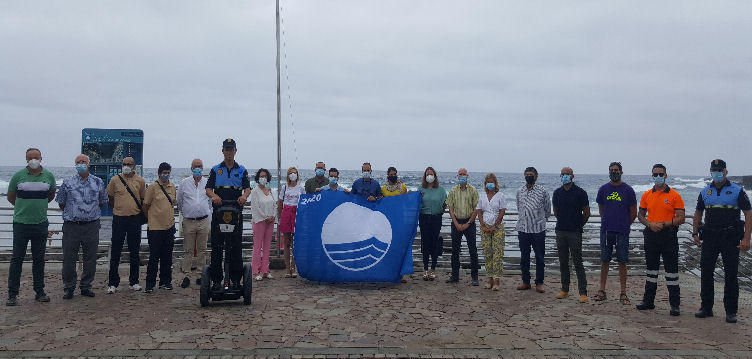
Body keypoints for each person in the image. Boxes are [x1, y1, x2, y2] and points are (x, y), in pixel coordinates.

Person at [693, 159, 752, 324]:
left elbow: (748, 213)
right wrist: (695, 233)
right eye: (714, 171)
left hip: (730, 237)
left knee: (731, 275)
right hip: (710, 237)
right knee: (706, 273)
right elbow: (698, 213)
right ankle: (706, 307)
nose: (717, 173)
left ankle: (731, 311)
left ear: (725, 172)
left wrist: (747, 238)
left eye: (720, 171)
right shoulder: (705, 192)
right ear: (711, 172)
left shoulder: (737, 190)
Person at [6, 148, 56, 306]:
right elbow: (11, 197)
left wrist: (36, 206)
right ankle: (12, 294)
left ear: (41, 158)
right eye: (30, 157)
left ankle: (39, 291)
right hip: (21, 223)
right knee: (17, 259)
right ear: (26, 159)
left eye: (35, 157)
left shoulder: (48, 176)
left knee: (39, 259)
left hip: (40, 224)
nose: (33, 160)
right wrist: (23, 208)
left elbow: (50, 195)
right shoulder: (18, 176)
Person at [635, 164, 685, 316]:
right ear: (652, 176)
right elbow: (640, 215)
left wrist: (663, 224)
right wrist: (649, 224)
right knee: (651, 271)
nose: (658, 176)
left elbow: (681, 218)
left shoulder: (675, 195)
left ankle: (675, 305)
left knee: (671, 273)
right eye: (655, 174)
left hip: (668, 236)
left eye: (660, 174)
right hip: (651, 235)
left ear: (666, 175)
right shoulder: (647, 194)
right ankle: (648, 302)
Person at [56, 154, 107, 300]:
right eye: (78, 162)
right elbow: (61, 203)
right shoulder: (67, 182)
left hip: (91, 225)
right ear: (75, 165)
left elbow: (102, 201)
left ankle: (86, 286)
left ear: (89, 164)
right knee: (68, 259)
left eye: (83, 161)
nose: (81, 164)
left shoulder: (98, 182)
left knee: (90, 258)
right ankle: (69, 288)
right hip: (71, 226)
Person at [205, 139, 251, 291]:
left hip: (235, 214)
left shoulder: (241, 170)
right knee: (217, 247)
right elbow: (208, 189)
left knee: (235, 247)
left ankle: (236, 280)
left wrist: (244, 196)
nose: (229, 152)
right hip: (219, 213)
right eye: (227, 149)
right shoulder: (215, 169)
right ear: (222, 150)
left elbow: (247, 189)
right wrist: (214, 197)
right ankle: (217, 280)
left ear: (235, 151)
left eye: (231, 149)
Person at [593, 162, 637, 305]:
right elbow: (601, 209)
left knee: (622, 262)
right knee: (604, 261)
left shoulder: (628, 190)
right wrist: (608, 221)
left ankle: (623, 293)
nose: (614, 172)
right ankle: (602, 290)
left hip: (622, 232)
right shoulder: (603, 189)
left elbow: (633, 212)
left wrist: (623, 224)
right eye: (611, 170)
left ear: (621, 172)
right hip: (606, 231)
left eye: (616, 170)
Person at [106, 156, 146, 294]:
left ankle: (134, 282)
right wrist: (118, 208)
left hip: (134, 220)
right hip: (119, 219)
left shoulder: (140, 181)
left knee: (134, 252)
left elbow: (142, 199)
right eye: (124, 164)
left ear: (134, 166)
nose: (127, 166)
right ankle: (113, 283)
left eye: (129, 164)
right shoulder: (114, 180)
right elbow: (110, 198)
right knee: (115, 252)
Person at [552, 167, 590, 303]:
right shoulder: (557, 193)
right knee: (563, 262)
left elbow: (587, 213)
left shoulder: (580, 193)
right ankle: (565, 289)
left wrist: (578, 225)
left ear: (572, 176)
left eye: (567, 174)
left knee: (578, 262)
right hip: (560, 231)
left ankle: (583, 292)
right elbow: (555, 211)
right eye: (562, 174)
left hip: (575, 232)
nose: (565, 176)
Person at [515, 167, 552, 293]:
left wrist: (540, 221)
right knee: (524, 257)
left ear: (536, 176)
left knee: (540, 258)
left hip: (538, 230)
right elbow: (519, 207)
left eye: (531, 174)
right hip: (523, 229)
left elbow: (548, 210)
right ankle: (526, 282)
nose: (529, 176)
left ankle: (539, 283)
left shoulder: (543, 191)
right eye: (527, 174)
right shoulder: (519, 191)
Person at [176, 159, 212, 288]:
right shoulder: (184, 183)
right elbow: (179, 201)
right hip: (189, 221)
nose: (198, 168)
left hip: (203, 220)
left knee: (202, 250)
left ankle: (200, 275)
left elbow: (210, 202)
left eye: (200, 166)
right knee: (188, 250)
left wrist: (209, 217)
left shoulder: (208, 183)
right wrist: (186, 212)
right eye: (195, 166)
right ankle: (186, 276)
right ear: (191, 168)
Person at [143, 163, 177, 293]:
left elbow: (172, 204)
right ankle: (150, 284)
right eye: (164, 172)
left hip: (169, 227)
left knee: (167, 257)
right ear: (159, 173)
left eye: (168, 172)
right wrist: (151, 218)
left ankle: (165, 281)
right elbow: (145, 206)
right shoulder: (152, 187)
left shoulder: (172, 186)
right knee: (154, 257)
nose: (166, 175)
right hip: (155, 228)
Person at [445, 168, 480, 286]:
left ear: (468, 176)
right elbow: (450, 208)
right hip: (456, 222)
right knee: (455, 251)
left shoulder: (473, 190)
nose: (462, 176)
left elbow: (476, 209)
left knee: (473, 250)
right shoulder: (453, 191)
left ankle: (475, 277)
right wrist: (456, 223)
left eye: (464, 174)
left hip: (470, 223)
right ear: (457, 176)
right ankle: (455, 276)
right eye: (460, 174)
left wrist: (468, 223)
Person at [476, 173, 506, 291]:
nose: (490, 184)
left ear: (495, 183)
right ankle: (489, 279)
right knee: (487, 253)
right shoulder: (482, 196)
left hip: (497, 227)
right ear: (485, 184)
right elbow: (479, 211)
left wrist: (495, 225)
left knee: (497, 254)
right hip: (485, 227)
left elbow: (502, 211)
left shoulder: (500, 196)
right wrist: (482, 225)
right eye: (488, 182)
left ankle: (497, 281)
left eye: (492, 181)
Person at [381, 166, 410, 282]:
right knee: (388, 246)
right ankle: (388, 272)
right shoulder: (383, 189)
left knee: (399, 246)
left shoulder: (403, 187)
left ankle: (400, 274)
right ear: (388, 175)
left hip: (400, 220)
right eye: (391, 174)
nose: (393, 176)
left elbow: (407, 200)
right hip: (387, 221)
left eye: (395, 174)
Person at [418, 167, 446, 281]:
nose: (429, 176)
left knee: (435, 243)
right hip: (424, 218)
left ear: (435, 176)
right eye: (427, 174)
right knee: (425, 243)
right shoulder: (421, 188)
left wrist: (439, 212)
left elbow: (445, 203)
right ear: (425, 176)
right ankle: (425, 269)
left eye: (431, 174)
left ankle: (433, 269)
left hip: (436, 218)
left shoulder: (441, 190)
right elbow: (416, 202)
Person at [250, 168, 277, 281]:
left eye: (265, 176)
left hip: (270, 222)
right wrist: (264, 217)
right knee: (257, 247)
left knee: (267, 247)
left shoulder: (270, 190)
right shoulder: (255, 191)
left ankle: (265, 270)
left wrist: (273, 216)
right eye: (261, 176)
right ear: (257, 178)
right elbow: (255, 207)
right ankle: (255, 271)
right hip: (259, 221)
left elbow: (274, 205)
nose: (263, 178)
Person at [277, 166, 304, 278]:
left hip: (297, 214)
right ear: (288, 175)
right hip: (286, 214)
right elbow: (280, 203)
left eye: (295, 173)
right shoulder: (285, 187)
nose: (293, 175)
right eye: (291, 173)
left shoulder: (301, 188)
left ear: (297, 175)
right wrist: (280, 217)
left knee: (295, 243)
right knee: (287, 242)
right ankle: (287, 268)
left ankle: (294, 267)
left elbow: (304, 203)